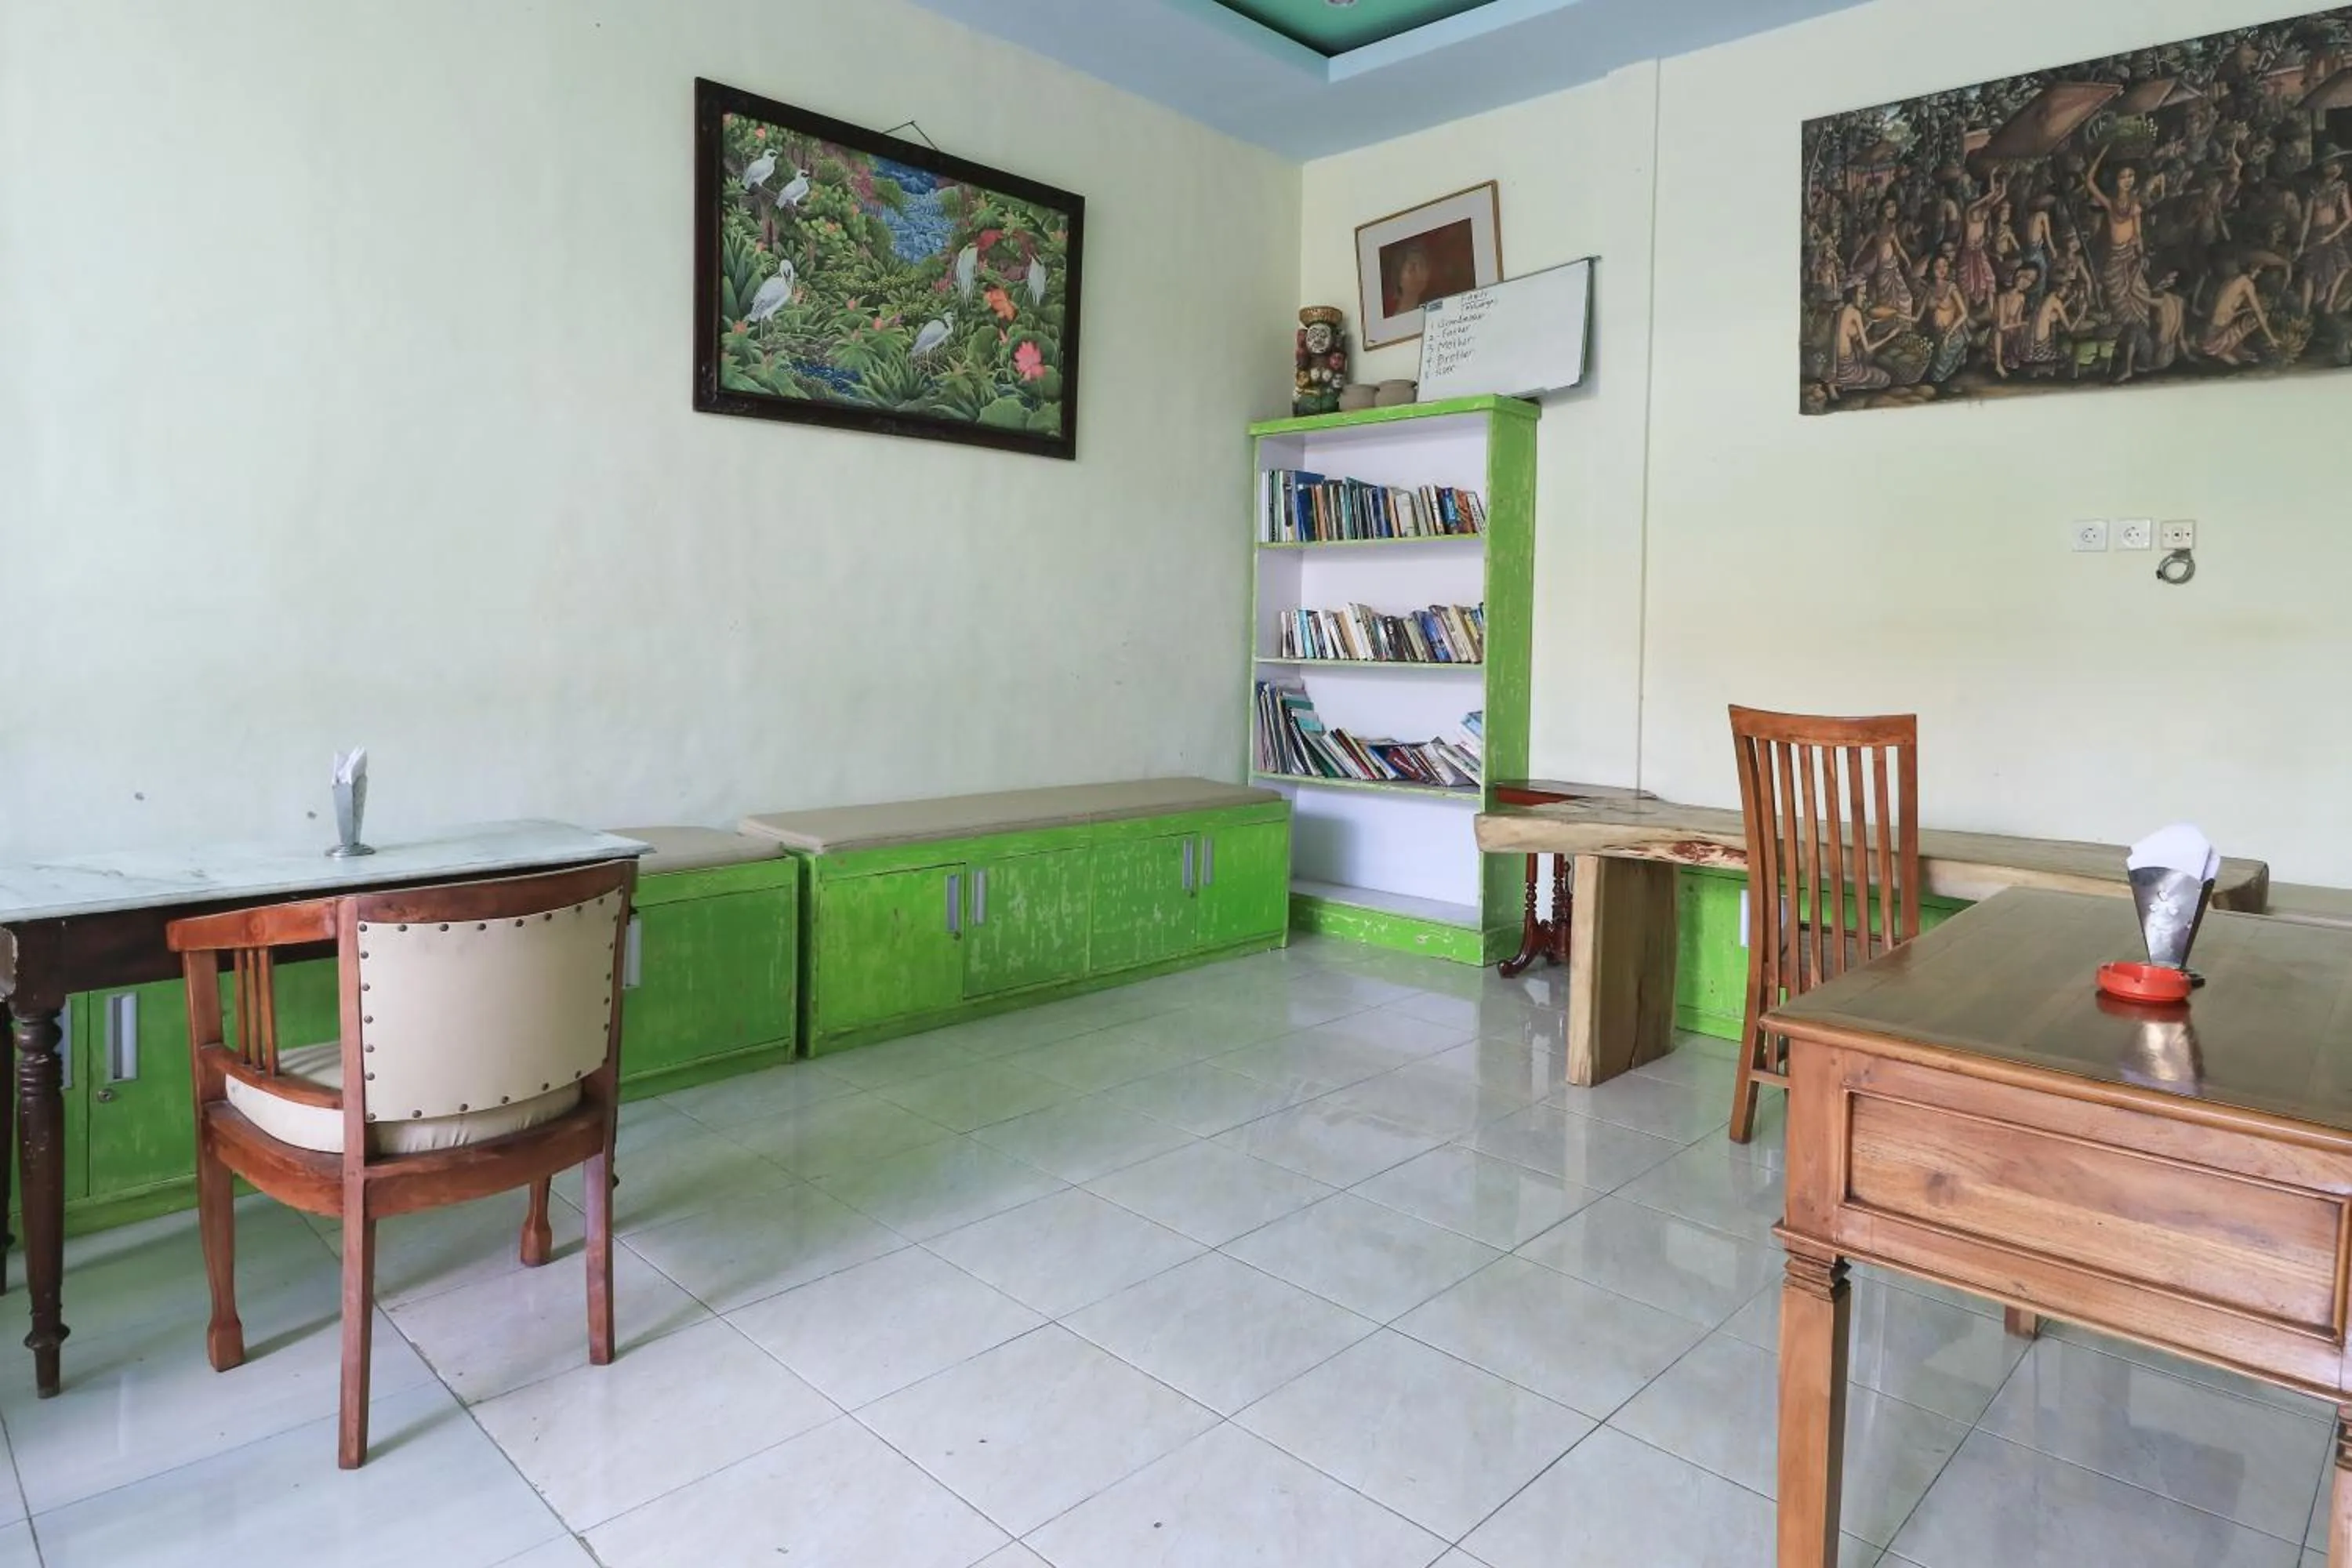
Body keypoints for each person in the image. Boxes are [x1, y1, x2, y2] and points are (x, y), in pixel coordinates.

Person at [2197, 255, 2278, 363]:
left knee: (2245, 312)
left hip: (2211, 326)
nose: (2259, 272)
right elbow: (2258, 312)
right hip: (2219, 329)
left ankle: (2231, 348)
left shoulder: (2231, 279)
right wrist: (2272, 339)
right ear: (2251, 268)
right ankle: (2222, 350)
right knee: (2256, 316)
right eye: (2258, 269)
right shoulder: (2247, 283)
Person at [2300, 149, 2352, 317]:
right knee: (2310, 273)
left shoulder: (2341, 187)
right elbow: (2307, 218)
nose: (2337, 168)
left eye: (2338, 164)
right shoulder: (2313, 190)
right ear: (2323, 167)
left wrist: (2333, 235)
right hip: (2316, 233)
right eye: (2332, 164)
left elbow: (2349, 217)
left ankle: (2328, 305)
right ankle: (2304, 312)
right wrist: (2301, 243)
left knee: (2344, 267)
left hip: (2333, 232)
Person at [1849, 198, 1915, 315]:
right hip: (1882, 271)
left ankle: (1903, 326)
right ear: (1882, 210)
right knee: (1885, 302)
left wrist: (1908, 261)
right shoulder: (1875, 230)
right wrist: (1852, 263)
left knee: (1906, 299)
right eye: (1888, 207)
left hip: (1894, 269)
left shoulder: (1892, 228)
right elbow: (1861, 249)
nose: (1892, 210)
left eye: (1893, 206)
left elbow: (1899, 248)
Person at [1916, 252, 1972, 382]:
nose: (1942, 270)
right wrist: (1898, 315)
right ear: (1931, 269)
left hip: (1952, 335)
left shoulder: (1951, 287)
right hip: (1937, 334)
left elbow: (1964, 313)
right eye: (1937, 267)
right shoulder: (1929, 289)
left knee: (1937, 376)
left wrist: (1948, 334)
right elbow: (1917, 318)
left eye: (1945, 266)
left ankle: (1960, 356)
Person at [1958, 176, 2006, 312]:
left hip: (1979, 252)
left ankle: (1992, 313)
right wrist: (1991, 175)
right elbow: (1991, 195)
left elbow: (2002, 194)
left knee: (1989, 279)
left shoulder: (1985, 210)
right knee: (1968, 284)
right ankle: (1964, 313)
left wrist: (2002, 176)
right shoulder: (1969, 210)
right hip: (1968, 252)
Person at [1993, 263, 2038, 377]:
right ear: (2018, 275)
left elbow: (2017, 321)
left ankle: (2016, 358)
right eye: (2026, 277)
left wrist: (2021, 327)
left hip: (2010, 330)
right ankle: (1998, 364)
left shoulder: (2021, 298)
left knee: (2025, 330)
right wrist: (2020, 324)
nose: (2026, 283)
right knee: (1998, 332)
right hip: (1998, 331)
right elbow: (2001, 325)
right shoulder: (2003, 297)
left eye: (2031, 281)